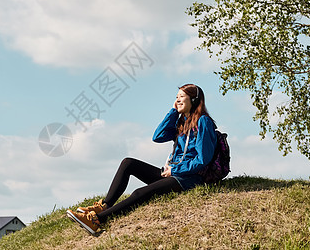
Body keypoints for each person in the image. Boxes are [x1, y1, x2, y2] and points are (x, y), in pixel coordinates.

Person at [66, 84, 217, 235]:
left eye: (181, 97)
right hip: (172, 173)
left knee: (139, 192)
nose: (177, 100)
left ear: (194, 99)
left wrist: (175, 170)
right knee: (128, 163)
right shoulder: (181, 122)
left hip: (189, 178)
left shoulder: (203, 122)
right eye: (176, 97)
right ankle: (104, 205)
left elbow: (203, 159)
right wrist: (172, 112)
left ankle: (97, 220)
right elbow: (157, 136)